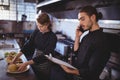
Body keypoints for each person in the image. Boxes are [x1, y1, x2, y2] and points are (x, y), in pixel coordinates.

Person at [50, 5, 110, 80]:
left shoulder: (101, 40)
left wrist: (69, 70)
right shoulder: (86, 37)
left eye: (83, 19)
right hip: (77, 76)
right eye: (79, 20)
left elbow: (92, 72)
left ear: (93, 17)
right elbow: (76, 52)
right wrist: (77, 37)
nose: (80, 23)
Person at [12, 12, 57, 80]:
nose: (39, 28)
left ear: (47, 24)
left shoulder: (52, 37)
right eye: (38, 25)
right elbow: (29, 44)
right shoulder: (36, 32)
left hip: (44, 64)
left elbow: (46, 54)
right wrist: (17, 56)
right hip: (34, 61)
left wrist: (27, 63)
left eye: (41, 26)